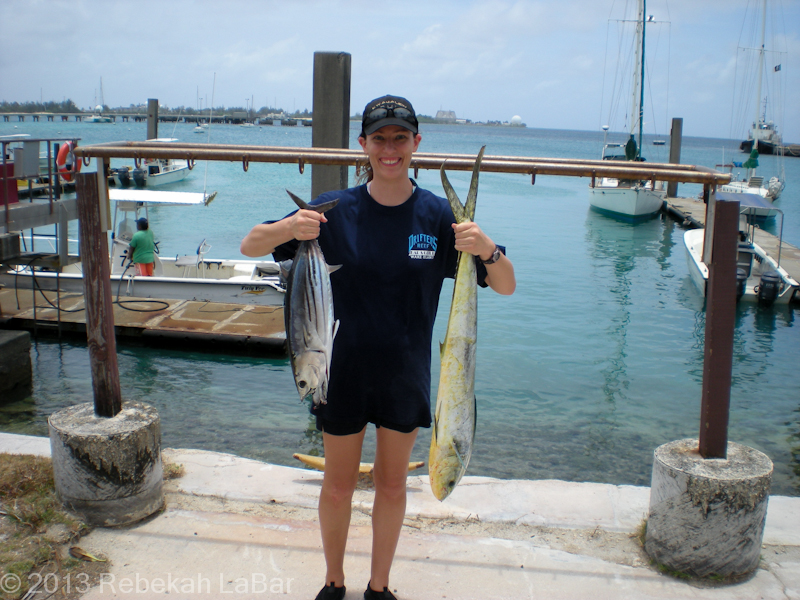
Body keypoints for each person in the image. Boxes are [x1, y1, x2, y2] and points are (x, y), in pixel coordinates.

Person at [240, 94, 516, 600]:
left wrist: (487, 248)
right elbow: (251, 245)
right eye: (380, 139)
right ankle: (333, 580)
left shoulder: (438, 217)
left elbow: (505, 285)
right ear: (363, 144)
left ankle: (380, 586)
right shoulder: (333, 209)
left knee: (392, 486)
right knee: (338, 485)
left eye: (401, 138)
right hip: (336, 370)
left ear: (416, 143)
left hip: (405, 375)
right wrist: (288, 227)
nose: (391, 149)